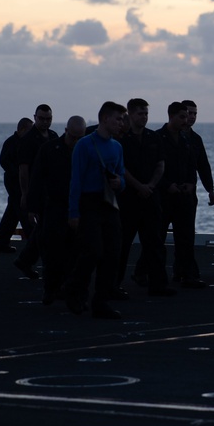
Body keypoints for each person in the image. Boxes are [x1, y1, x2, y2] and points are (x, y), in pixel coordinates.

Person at [66, 102, 127, 319]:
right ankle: (75, 291)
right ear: (104, 119)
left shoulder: (117, 147)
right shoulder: (84, 145)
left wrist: (119, 183)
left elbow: (121, 177)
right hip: (89, 202)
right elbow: (76, 180)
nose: (121, 123)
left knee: (112, 254)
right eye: (118, 119)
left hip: (109, 203)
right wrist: (73, 212)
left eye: (122, 119)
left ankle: (101, 302)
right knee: (92, 251)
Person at [26, 116, 86, 305]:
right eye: (73, 136)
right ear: (66, 130)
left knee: (75, 253)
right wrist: (32, 207)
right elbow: (36, 178)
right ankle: (50, 289)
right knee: (52, 252)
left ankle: (70, 289)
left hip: (77, 206)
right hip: (53, 206)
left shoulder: (85, 151)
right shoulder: (49, 149)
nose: (75, 141)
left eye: (79, 137)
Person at [119, 98, 175, 297]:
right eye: (140, 113)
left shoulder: (153, 138)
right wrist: (138, 186)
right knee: (122, 245)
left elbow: (161, 164)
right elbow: (121, 168)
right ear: (130, 114)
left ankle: (158, 284)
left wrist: (150, 185)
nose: (144, 117)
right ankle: (114, 285)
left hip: (151, 197)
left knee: (155, 243)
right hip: (129, 199)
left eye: (146, 114)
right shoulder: (122, 140)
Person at [157, 102, 202, 288]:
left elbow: (194, 165)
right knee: (157, 238)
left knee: (186, 237)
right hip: (163, 197)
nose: (187, 120)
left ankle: (188, 274)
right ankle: (155, 276)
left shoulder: (186, 140)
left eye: (188, 116)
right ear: (171, 116)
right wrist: (167, 185)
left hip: (183, 195)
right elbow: (154, 167)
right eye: (182, 117)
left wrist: (192, 184)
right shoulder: (158, 138)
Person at [14, 104, 57, 279]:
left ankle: (25, 260)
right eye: (42, 119)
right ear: (35, 118)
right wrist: (25, 194)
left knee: (43, 230)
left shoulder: (53, 136)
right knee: (45, 231)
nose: (45, 122)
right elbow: (23, 170)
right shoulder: (28, 140)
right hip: (37, 190)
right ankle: (42, 265)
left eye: (48, 119)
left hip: (52, 190)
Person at [0, 117, 33, 253]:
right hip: (13, 181)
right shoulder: (11, 142)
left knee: (12, 213)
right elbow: (4, 161)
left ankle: (0, 243)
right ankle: (34, 242)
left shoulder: (23, 143)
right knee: (23, 211)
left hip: (18, 180)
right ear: (22, 129)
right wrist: (17, 172)